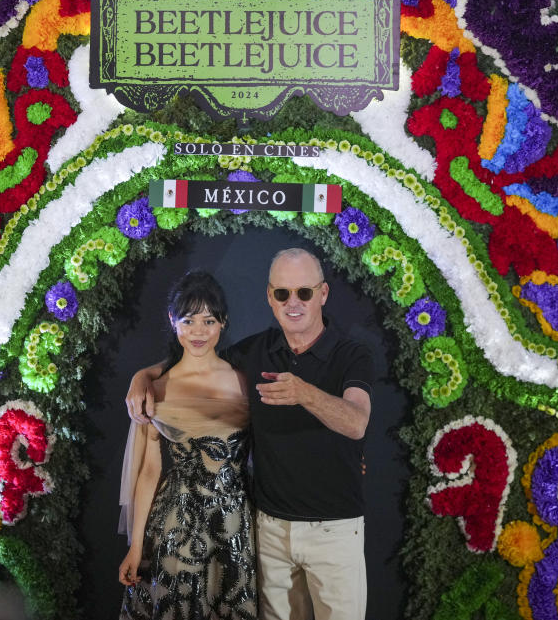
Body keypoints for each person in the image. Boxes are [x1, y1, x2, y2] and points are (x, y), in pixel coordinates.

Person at [126, 248, 374, 620]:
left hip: (333, 531)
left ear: (322, 294)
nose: (293, 303)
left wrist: (303, 392)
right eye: (282, 293)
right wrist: (142, 377)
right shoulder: (255, 353)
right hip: (268, 530)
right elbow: (198, 355)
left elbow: (356, 421)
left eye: (304, 293)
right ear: (269, 297)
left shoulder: (351, 354)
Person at [118, 270, 257, 619]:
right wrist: (136, 547)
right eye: (189, 320)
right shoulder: (157, 388)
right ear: (173, 321)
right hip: (175, 524)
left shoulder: (244, 379)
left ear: (223, 322)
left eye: (208, 320)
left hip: (236, 521)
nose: (198, 331)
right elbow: (150, 472)